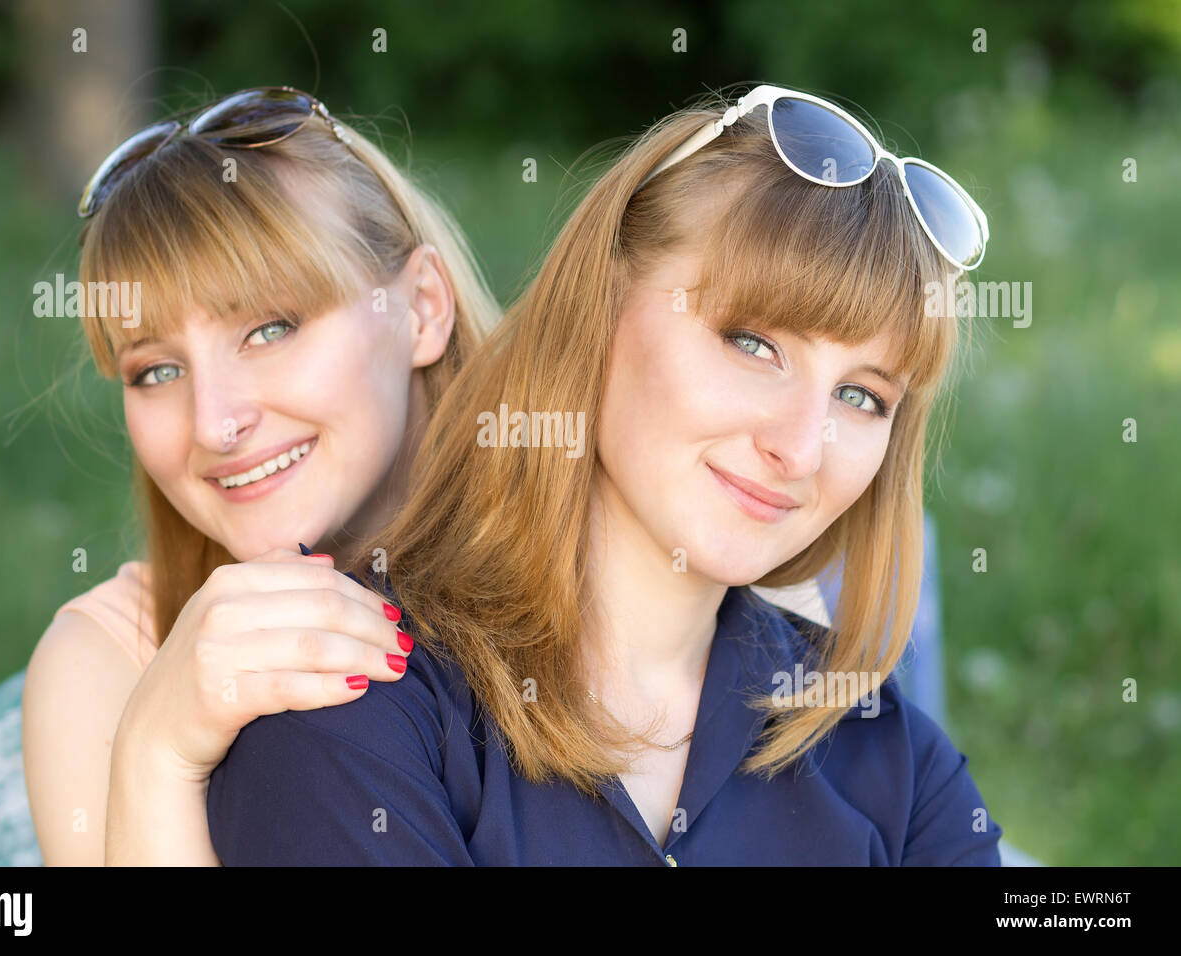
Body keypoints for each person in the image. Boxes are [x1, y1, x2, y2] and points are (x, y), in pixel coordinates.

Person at [206, 84, 1003, 864]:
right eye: (752, 343)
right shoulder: (352, 711)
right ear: (601, 305)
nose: (801, 449)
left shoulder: (887, 756)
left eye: (862, 396)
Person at [21, 87, 501, 865]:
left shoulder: (595, 560)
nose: (214, 423)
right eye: (157, 370)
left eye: (269, 328)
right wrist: (155, 753)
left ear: (421, 308)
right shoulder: (106, 662)